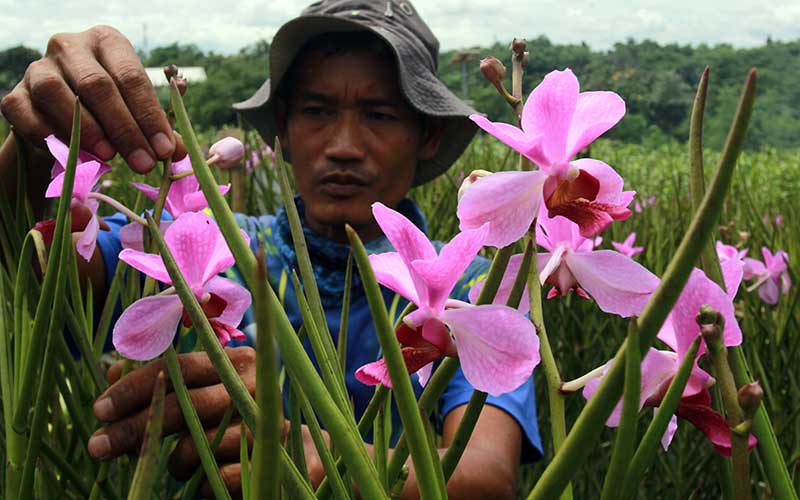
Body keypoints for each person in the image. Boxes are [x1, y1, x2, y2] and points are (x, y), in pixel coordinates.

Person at [0, 1, 541, 497]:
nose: (344, 146)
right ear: (281, 126)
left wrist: (312, 454)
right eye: (317, 111)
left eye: (379, 114)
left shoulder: (479, 282)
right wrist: (31, 150)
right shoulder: (202, 243)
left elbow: (488, 477)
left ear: (426, 135)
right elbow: (26, 268)